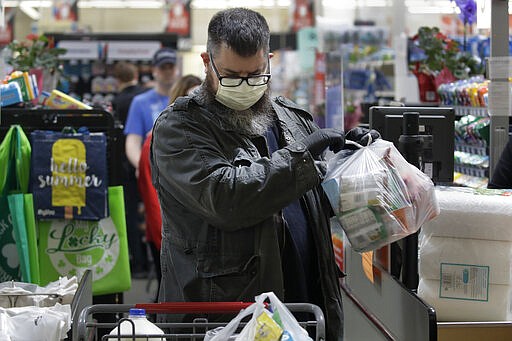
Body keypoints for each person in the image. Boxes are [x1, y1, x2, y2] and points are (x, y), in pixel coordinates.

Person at [151, 8, 378, 339]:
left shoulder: (291, 118)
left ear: (269, 61)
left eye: (256, 75)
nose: (244, 86)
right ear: (206, 62)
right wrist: (301, 158)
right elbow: (227, 197)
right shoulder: (180, 128)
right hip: (226, 319)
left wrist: (353, 159)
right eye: (231, 76)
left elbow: (317, 199)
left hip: (307, 308)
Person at [138, 74, 202, 298]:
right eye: (191, 96)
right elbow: (152, 198)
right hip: (170, 237)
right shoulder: (155, 139)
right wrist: (163, 237)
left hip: (195, 239)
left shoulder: (201, 138)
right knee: (169, 295)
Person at [112, 61, 149, 278]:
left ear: (117, 79)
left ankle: (138, 263)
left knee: (132, 216)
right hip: (150, 163)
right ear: (136, 73)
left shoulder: (119, 101)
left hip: (127, 167)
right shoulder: (146, 96)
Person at [124, 47, 178, 171]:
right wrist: (144, 169)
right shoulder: (140, 102)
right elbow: (133, 142)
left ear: (177, 69)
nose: (168, 71)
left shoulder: (186, 99)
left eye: (171, 67)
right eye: (163, 67)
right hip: (153, 172)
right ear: (154, 70)